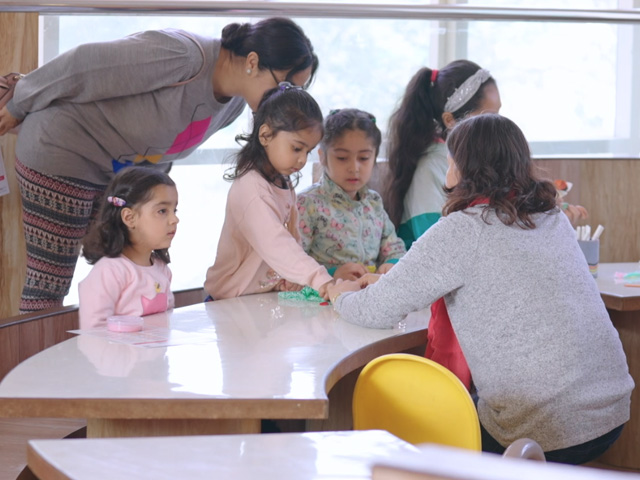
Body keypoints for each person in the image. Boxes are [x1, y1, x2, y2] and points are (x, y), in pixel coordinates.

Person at [327, 114, 633, 465]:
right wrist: (390, 282)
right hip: (610, 412)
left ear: (461, 168)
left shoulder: (463, 229)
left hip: (538, 429)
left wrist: (339, 295)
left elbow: (376, 310)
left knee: (423, 419)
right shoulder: (551, 216)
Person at [0, 17, 318, 313]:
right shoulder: (184, 56)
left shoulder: (233, 104)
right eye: (285, 85)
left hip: (114, 175)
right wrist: (18, 104)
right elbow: (82, 65)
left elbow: (160, 148)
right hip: (62, 151)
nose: (286, 98)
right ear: (253, 62)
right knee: (50, 284)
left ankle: (114, 353)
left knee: (135, 274)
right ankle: (35, 356)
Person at [204, 83, 334, 300]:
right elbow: (275, 243)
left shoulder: (282, 181)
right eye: (296, 148)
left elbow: (292, 238)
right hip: (229, 299)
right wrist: (320, 279)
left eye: (308, 151)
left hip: (259, 297)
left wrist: (292, 277)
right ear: (265, 135)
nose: (302, 160)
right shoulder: (251, 189)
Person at [296, 108, 406, 281]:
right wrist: (332, 275)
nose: (354, 168)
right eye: (342, 157)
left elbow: (394, 249)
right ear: (322, 157)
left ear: (374, 157)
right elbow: (294, 263)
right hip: (325, 294)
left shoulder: (374, 202)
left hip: (370, 293)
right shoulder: (307, 203)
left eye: (364, 158)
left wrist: (391, 264)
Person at [78, 167, 179, 329]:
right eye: (162, 211)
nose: (175, 219)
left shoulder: (162, 270)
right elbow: (93, 332)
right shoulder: (109, 272)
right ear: (129, 218)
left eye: (174, 210)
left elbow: (168, 321)